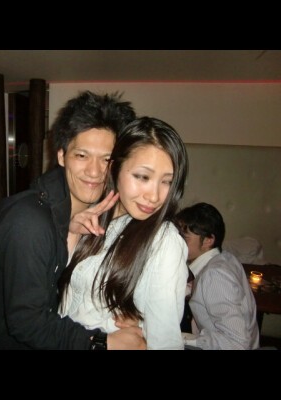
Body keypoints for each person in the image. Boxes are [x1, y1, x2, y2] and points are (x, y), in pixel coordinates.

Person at [0, 90, 146, 350]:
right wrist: (101, 343)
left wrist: (117, 314)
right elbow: (27, 322)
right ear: (61, 156)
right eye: (82, 155)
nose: (94, 171)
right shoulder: (29, 222)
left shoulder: (78, 218)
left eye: (107, 159)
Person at [59, 116, 190, 350]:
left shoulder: (164, 241)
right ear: (115, 168)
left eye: (167, 182)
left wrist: (142, 327)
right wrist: (71, 233)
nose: (154, 196)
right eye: (142, 177)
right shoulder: (92, 216)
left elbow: (165, 342)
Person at [175, 202, 260, 350]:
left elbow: (237, 342)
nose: (177, 242)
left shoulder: (214, 276)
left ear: (208, 240)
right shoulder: (226, 258)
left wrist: (180, 338)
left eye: (184, 238)